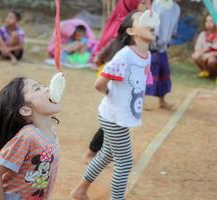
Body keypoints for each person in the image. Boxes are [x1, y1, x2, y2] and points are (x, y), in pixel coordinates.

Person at [71, 10, 155, 200]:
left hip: (120, 116)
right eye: (142, 20)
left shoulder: (146, 55)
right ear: (131, 31)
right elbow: (99, 84)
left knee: (106, 155)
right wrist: (114, 96)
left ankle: (80, 190)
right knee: (124, 163)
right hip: (113, 116)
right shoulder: (124, 56)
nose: (149, 22)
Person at [82, 0, 147, 164]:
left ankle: (102, 153)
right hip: (112, 80)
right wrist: (107, 88)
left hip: (122, 84)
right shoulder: (126, 29)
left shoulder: (138, 35)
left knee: (116, 123)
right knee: (112, 122)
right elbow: (110, 47)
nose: (147, 7)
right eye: (144, 4)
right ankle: (92, 152)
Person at [0, 77, 61, 200]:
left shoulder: (51, 130)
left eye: (43, 85)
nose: (47, 88)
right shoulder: (27, 137)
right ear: (26, 110)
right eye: (37, 88)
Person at [145, 0, 181, 109]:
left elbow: (174, 27)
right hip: (152, 43)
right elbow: (150, 20)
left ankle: (162, 101)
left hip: (163, 46)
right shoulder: (157, 3)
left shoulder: (177, 8)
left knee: (164, 71)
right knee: (148, 72)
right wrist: (150, 38)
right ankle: (139, 100)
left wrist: (170, 39)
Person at [192, 15, 217, 81]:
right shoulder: (203, 34)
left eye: (211, 21)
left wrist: (210, 54)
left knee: (212, 60)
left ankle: (215, 75)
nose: (208, 23)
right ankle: (205, 71)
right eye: (207, 21)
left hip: (214, 57)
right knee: (195, 55)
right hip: (206, 55)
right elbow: (197, 48)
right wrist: (203, 52)